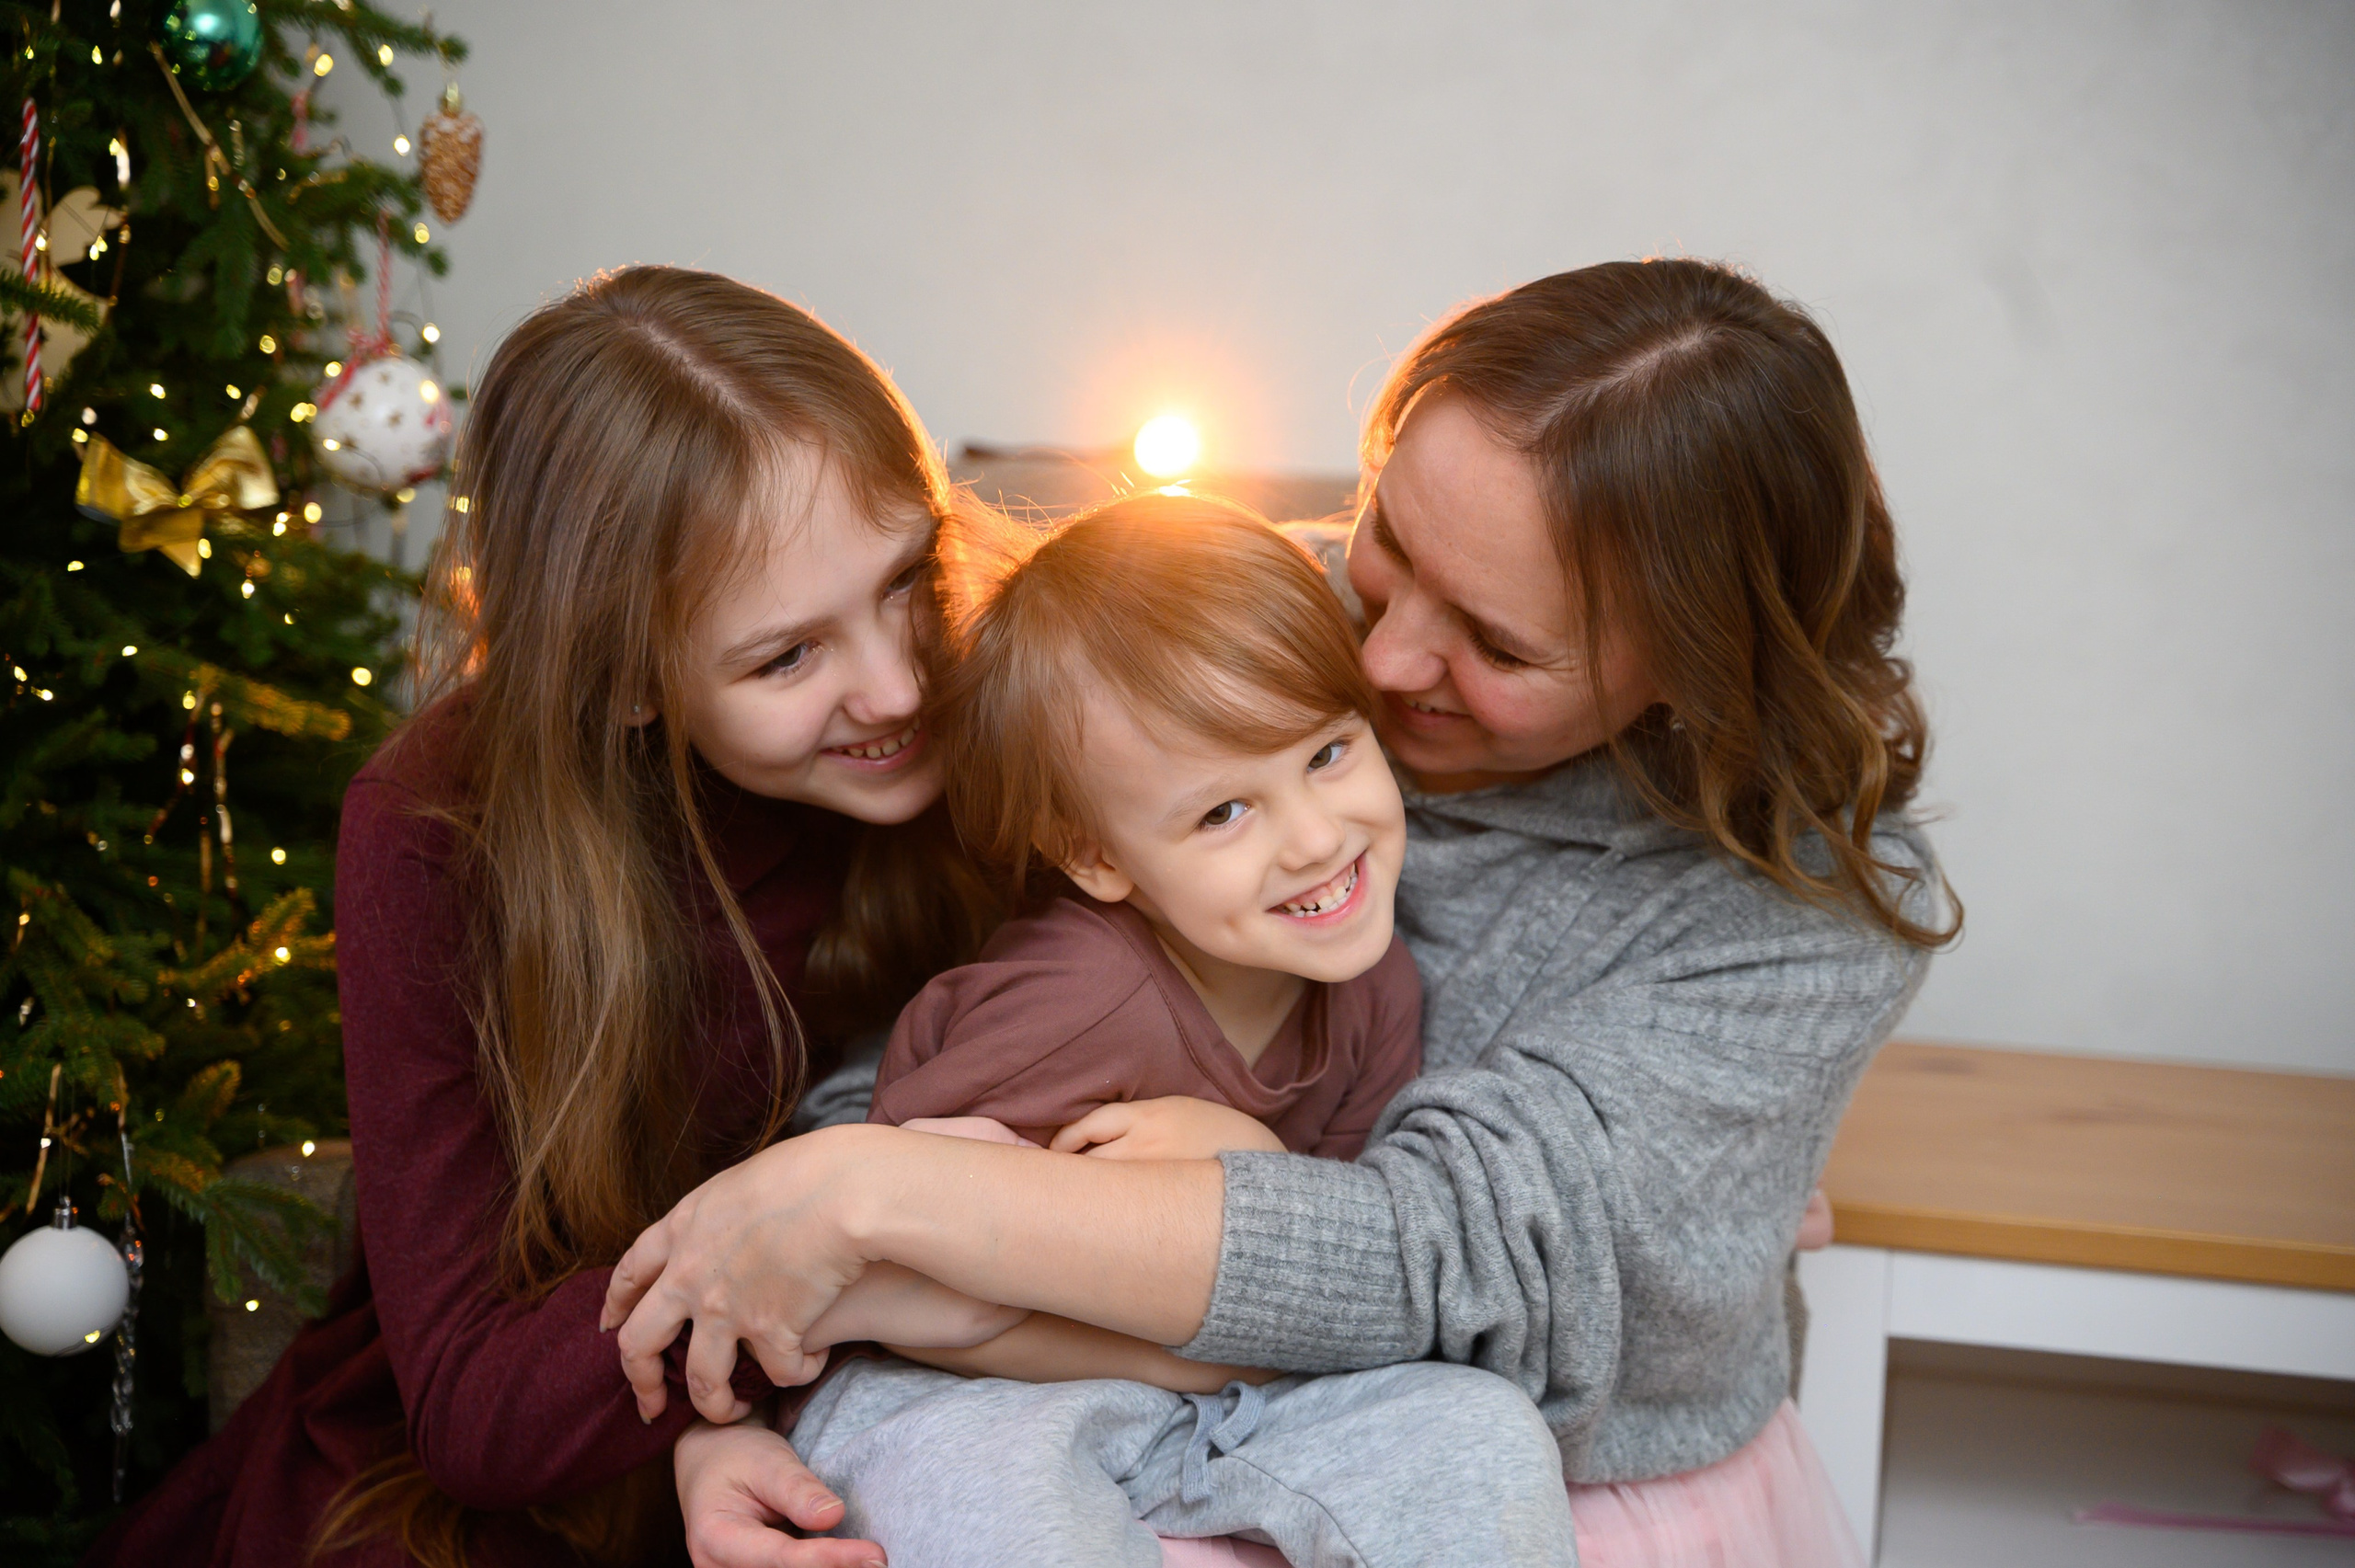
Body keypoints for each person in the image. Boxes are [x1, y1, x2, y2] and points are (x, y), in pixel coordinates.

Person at [615, 258, 1956, 1568]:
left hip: (1505, 1449)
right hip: (1050, 1397)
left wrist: (907, 1208)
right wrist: (792, 1310)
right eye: (1388, 537)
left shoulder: (1793, 909)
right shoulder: (1251, 637)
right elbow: (915, 1021)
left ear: (1702, 676)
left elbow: (1450, 1273)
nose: (1376, 659)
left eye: (1495, 645)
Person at [90, 266, 999, 1568]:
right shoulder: (435, 828)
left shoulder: (1018, 680)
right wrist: (814, 1262)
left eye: (911, 578)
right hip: (546, 1452)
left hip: (895, 1388)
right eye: (787, 656)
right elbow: (472, 1404)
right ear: (626, 676)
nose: (902, 680)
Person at [775, 493, 1574, 1567]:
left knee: (1475, 1432)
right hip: (974, 1387)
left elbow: (1330, 1306)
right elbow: (877, 1277)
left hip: (1218, 1394)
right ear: (1097, 857)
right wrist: (1192, 1368)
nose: (1314, 837)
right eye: (1222, 813)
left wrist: (1244, 1170)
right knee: (986, 1495)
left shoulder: (1375, 981)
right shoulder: (1069, 1003)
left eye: (1327, 754)